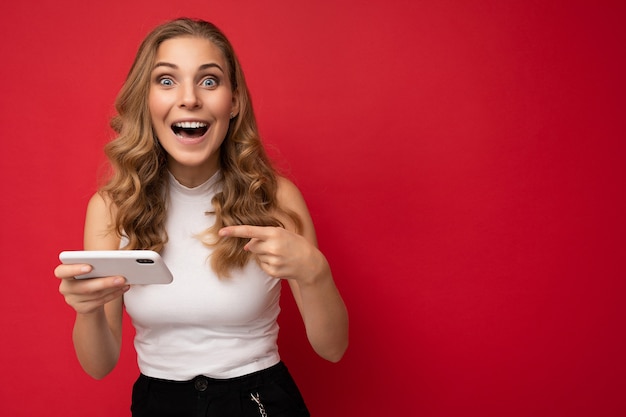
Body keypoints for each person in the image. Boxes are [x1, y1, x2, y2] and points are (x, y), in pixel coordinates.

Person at [54, 17, 348, 417]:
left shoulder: (276, 198)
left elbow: (332, 349)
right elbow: (99, 365)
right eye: (167, 80)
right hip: (158, 404)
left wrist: (316, 273)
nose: (190, 98)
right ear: (146, 100)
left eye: (209, 81)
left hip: (259, 402)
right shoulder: (111, 207)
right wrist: (86, 311)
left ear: (235, 101)